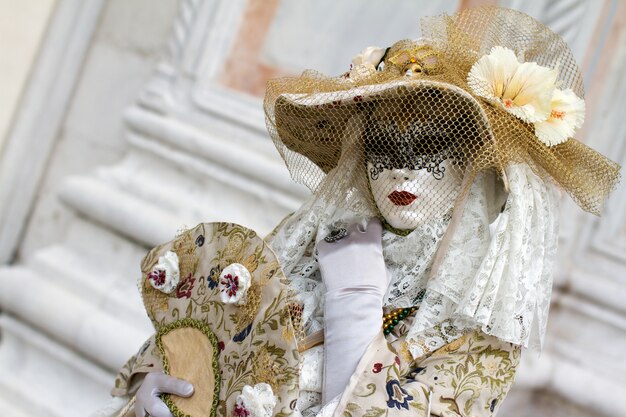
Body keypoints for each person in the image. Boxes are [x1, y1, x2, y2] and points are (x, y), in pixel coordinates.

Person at [94, 6, 620, 417]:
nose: (402, 172)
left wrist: (355, 299)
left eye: (432, 148)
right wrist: (156, 383)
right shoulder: (312, 241)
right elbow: (208, 330)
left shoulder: (476, 318)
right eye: (383, 148)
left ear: (474, 168)